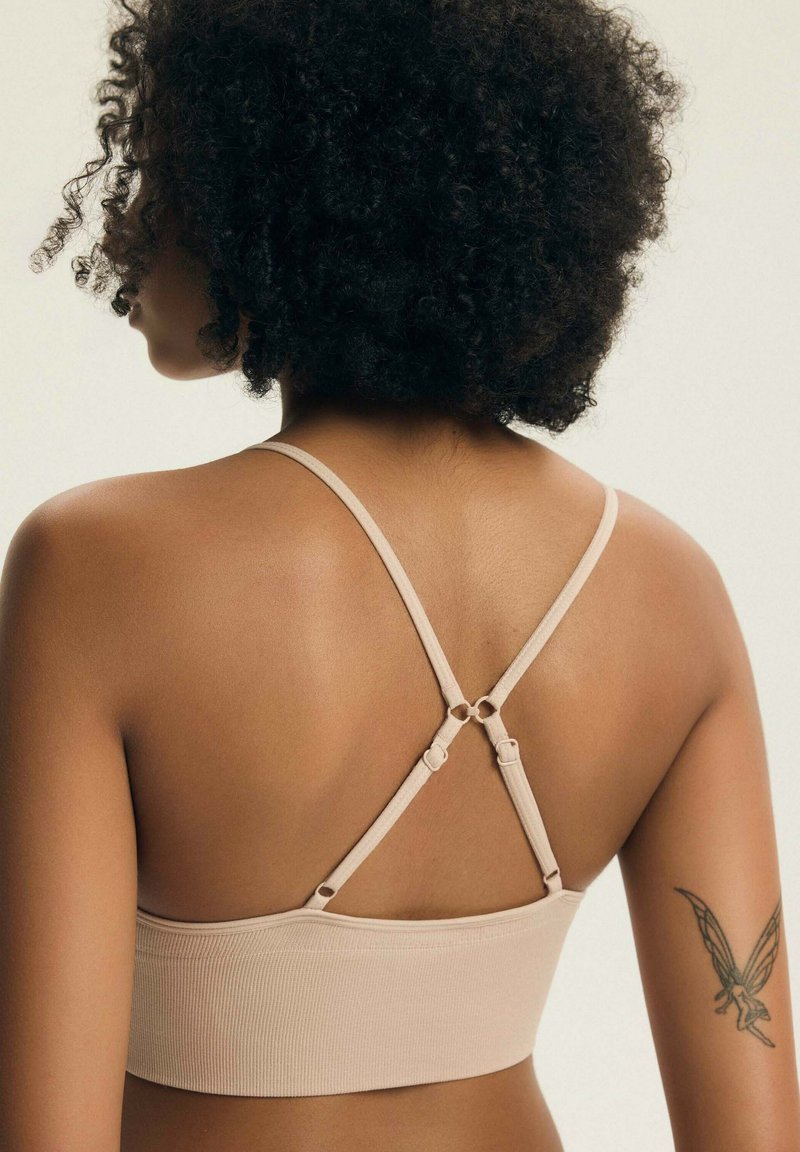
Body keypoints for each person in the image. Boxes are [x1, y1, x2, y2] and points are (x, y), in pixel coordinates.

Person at [2, 1, 798, 1149]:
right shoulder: (668, 589)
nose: (128, 223)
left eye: (160, 171)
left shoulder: (97, 566)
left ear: (271, 192)